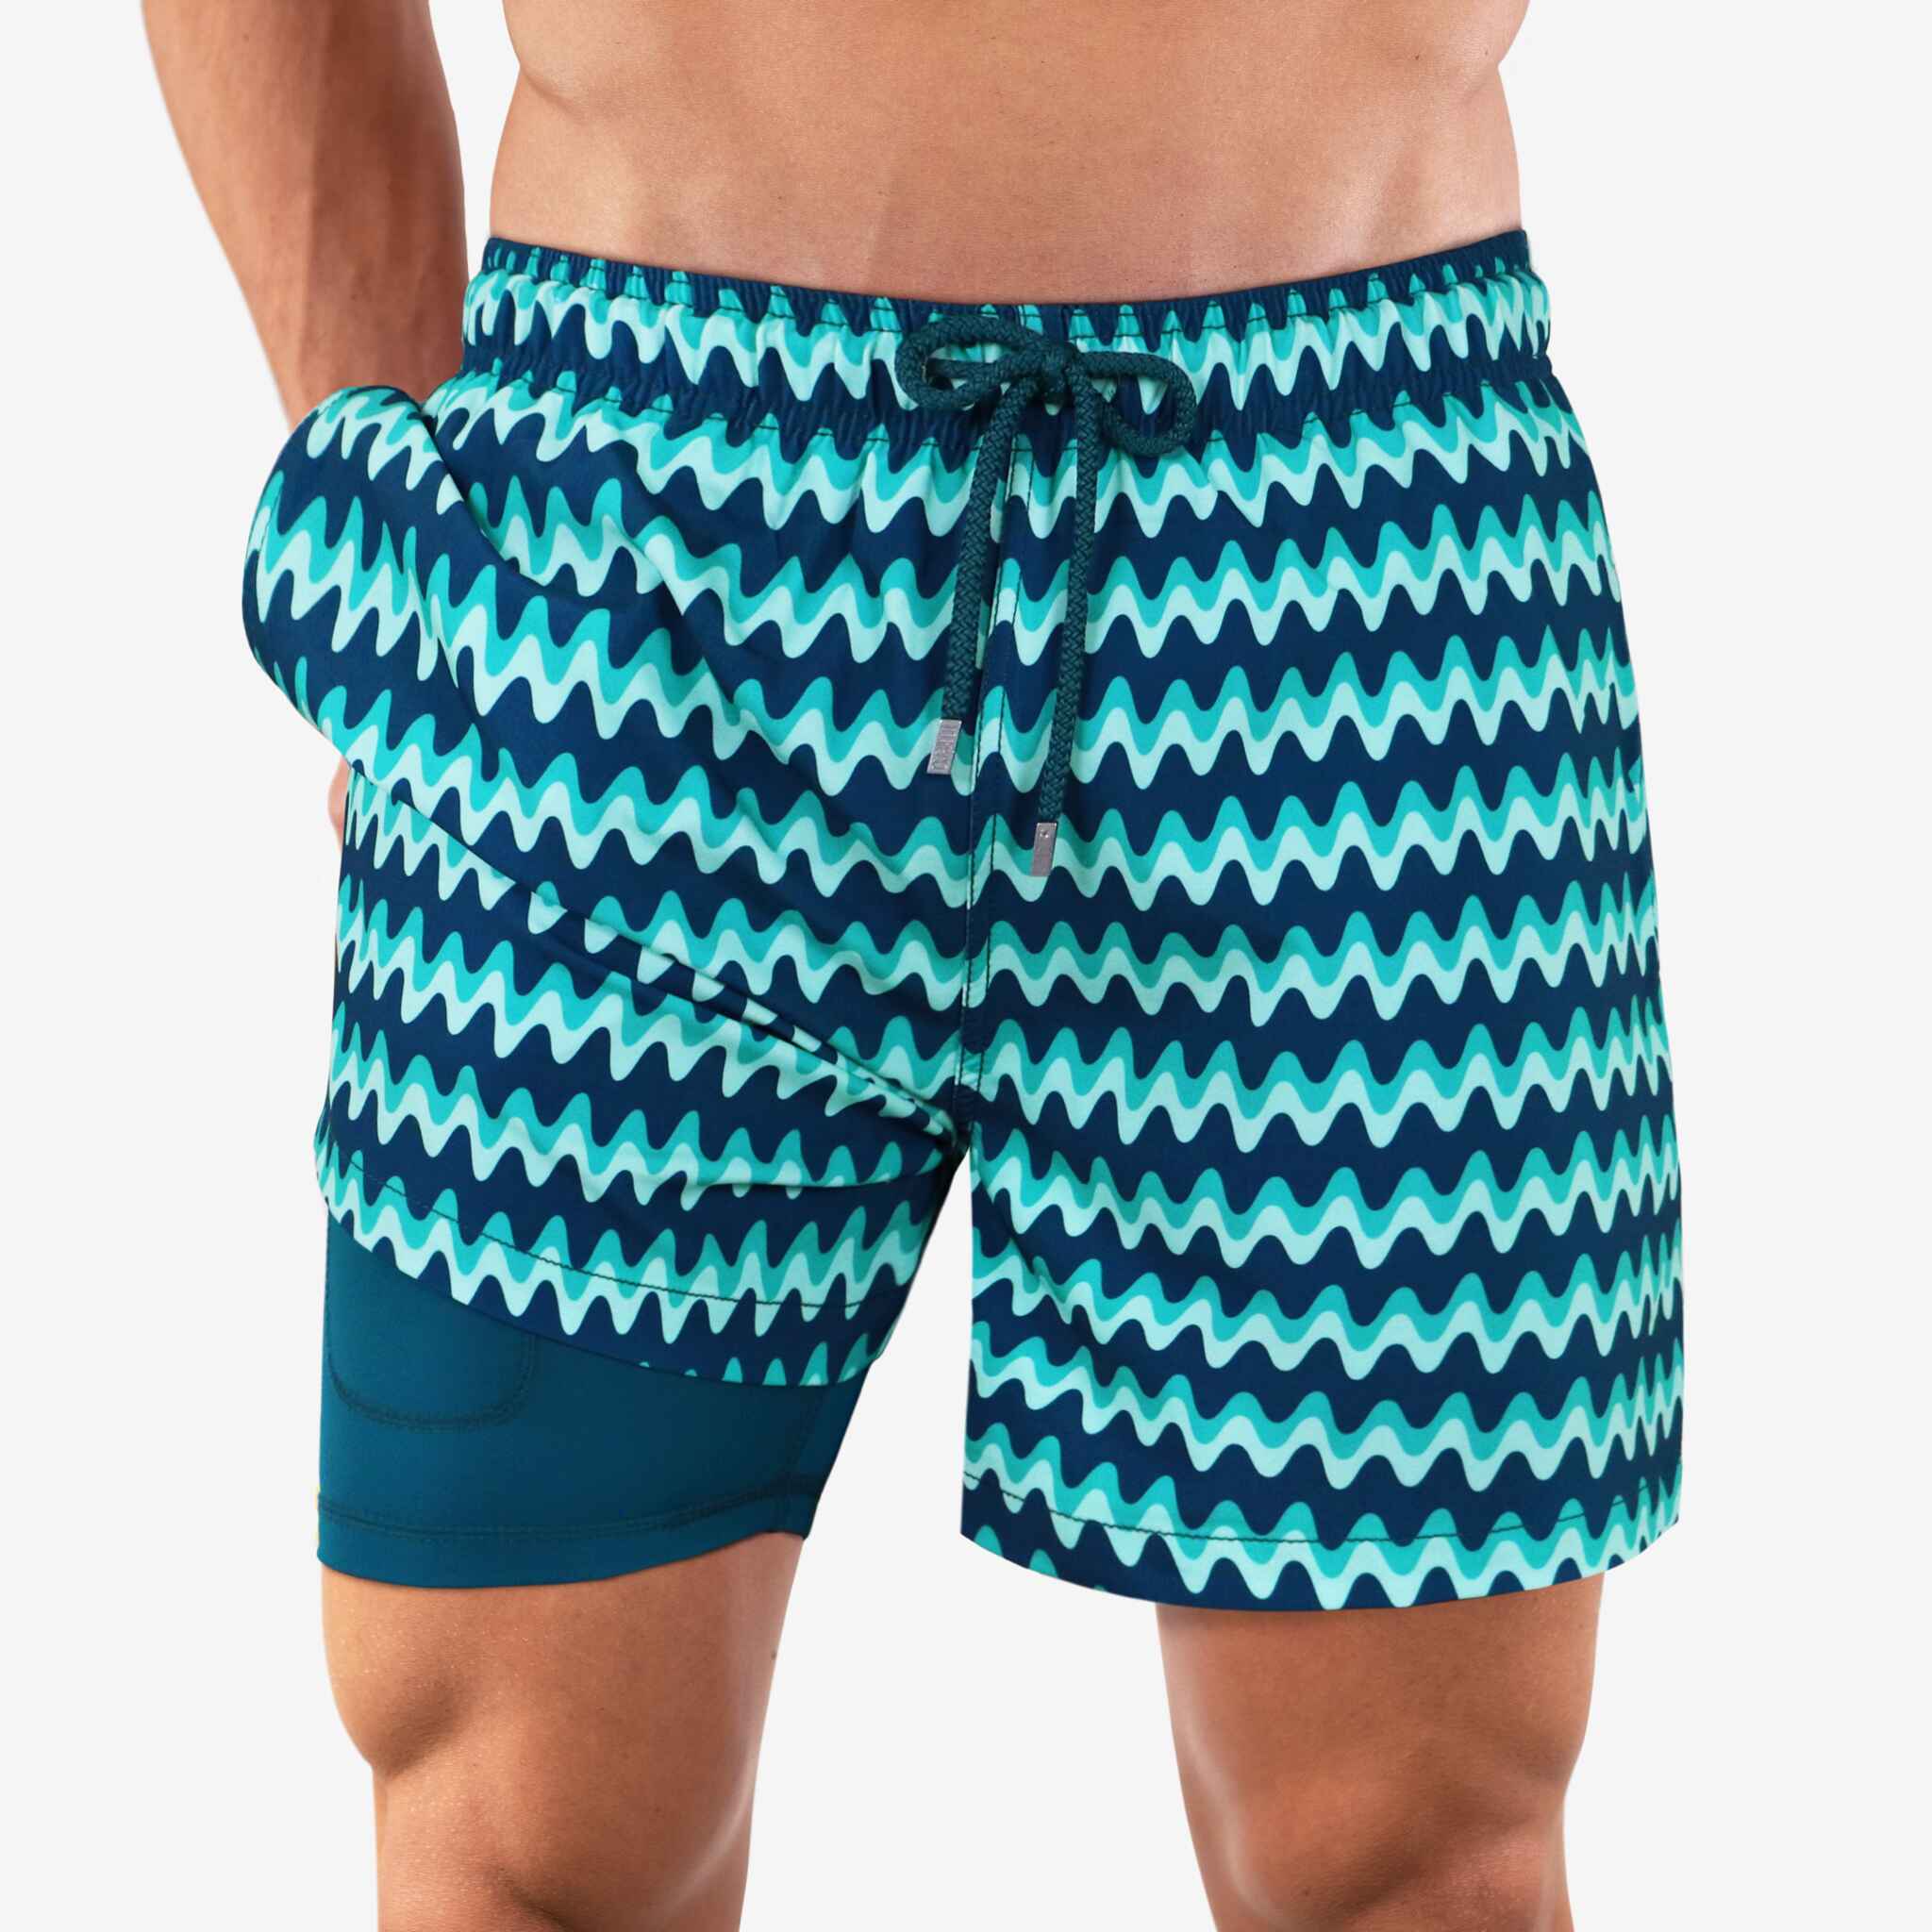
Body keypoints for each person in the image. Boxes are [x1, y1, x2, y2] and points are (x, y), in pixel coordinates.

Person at [146, 3, 1684, 1925]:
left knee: (1411, 1862)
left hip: (1359, 586)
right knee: (526, 1849)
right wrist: (401, 515)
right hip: (621, 561)